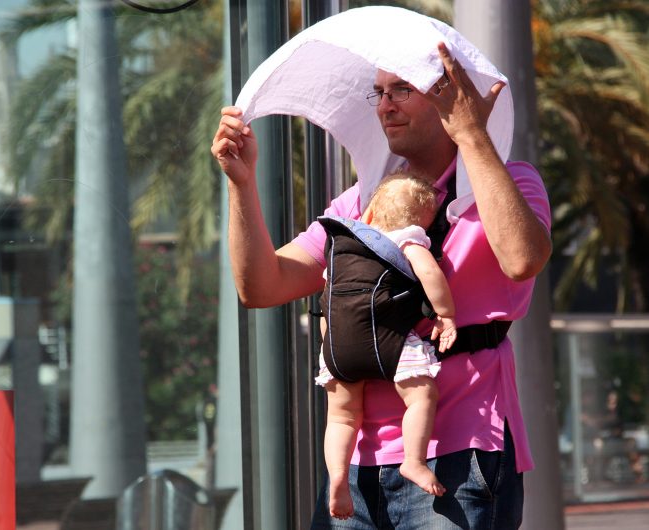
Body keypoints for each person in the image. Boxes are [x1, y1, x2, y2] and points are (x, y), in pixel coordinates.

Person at [211, 40, 552, 529]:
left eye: (401, 90)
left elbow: (523, 260)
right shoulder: (359, 204)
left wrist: (474, 136)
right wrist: (241, 185)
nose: (385, 105)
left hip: (462, 455)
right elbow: (261, 286)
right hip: (355, 463)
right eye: (379, 93)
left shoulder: (512, 183)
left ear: (447, 97)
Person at [316, 173, 457, 520]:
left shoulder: (342, 246)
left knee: (342, 417)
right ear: (420, 221)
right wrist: (446, 313)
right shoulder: (407, 239)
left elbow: (327, 302)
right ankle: (414, 460)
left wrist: (330, 343)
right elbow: (429, 274)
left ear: (371, 213)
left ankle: (338, 476)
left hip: (337, 347)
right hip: (386, 341)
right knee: (421, 396)